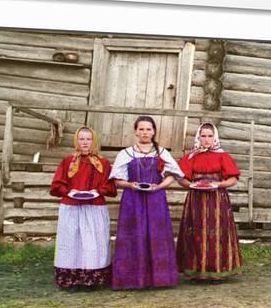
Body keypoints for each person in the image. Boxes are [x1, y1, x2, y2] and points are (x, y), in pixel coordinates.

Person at [109, 116, 184, 290]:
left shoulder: (162, 153)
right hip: (132, 200)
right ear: (135, 131)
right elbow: (117, 180)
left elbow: (173, 175)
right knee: (133, 234)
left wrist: (159, 187)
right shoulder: (125, 153)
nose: (145, 132)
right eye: (141, 129)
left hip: (156, 199)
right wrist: (131, 185)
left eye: (148, 129)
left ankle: (160, 279)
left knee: (156, 235)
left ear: (154, 131)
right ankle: (131, 279)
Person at [50, 126, 117, 290]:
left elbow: (110, 186)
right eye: (82, 139)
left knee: (94, 242)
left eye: (88, 139)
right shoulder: (68, 162)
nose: (85, 142)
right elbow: (57, 184)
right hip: (72, 208)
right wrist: (69, 191)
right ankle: (70, 279)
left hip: (94, 208)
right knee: (71, 242)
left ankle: (92, 280)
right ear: (76, 141)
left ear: (93, 141)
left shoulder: (103, 163)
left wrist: (97, 191)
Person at [176, 122, 243, 282]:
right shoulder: (191, 156)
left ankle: (218, 269)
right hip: (196, 201)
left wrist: (218, 184)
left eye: (210, 136)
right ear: (198, 137)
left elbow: (233, 179)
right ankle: (196, 270)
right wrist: (191, 184)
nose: (207, 139)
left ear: (215, 137)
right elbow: (181, 178)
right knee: (196, 232)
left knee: (217, 232)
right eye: (203, 136)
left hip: (217, 200)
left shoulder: (223, 156)